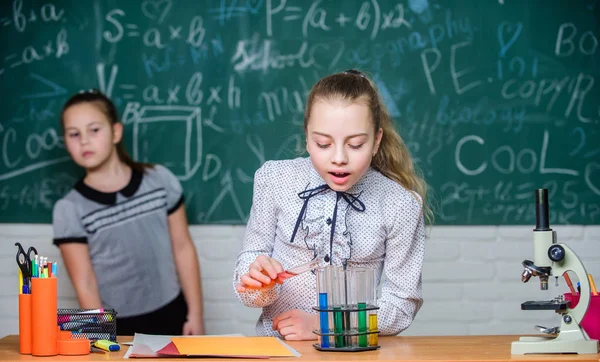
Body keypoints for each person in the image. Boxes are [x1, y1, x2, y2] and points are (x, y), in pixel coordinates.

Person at [233, 70, 430, 340]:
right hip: (278, 352)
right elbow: (249, 270)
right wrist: (258, 282)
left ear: (377, 141)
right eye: (323, 143)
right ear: (306, 137)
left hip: (356, 355)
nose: (339, 158)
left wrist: (326, 325)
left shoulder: (400, 203)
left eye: (356, 144)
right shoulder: (274, 180)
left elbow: (402, 304)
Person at [52, 89, 204, 336]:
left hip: (173, 312)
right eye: (74, 134)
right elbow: (85, 283)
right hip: (117, 326)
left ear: (116, 132)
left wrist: (195, 315)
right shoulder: (68, 209)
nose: (84, 141)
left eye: (94, 130)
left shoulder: (160, 180)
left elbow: (183, 247)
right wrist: (101, 339)